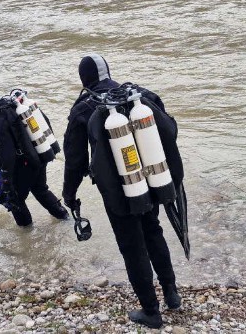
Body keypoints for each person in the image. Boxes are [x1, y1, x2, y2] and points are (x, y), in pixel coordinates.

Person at [61, 54, 182, 329]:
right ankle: (172, 294)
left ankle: (151, 311)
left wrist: (69, 195)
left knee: (132, 246)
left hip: (117, 192)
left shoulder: (83, 109)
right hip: (151, 178)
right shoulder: (135, 95)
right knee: (153, 231)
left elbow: (75, 160)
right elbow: (170, 129)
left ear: (84, 79)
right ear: (109, 72)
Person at [0, 88, 69, 226]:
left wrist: (7, 179)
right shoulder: (11, 107)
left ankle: (26, 234)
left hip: (25, 163)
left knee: (15, 200)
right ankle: (65, 218)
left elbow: (8, 154)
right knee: (41, 190)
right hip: (39, 154)